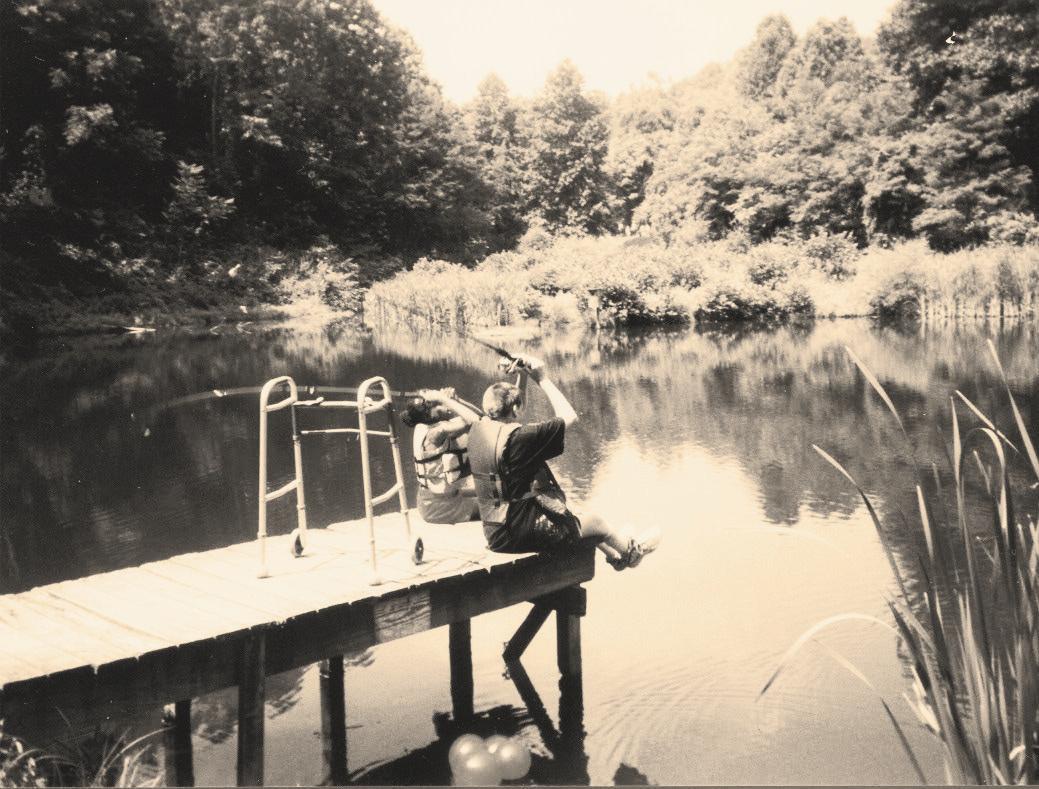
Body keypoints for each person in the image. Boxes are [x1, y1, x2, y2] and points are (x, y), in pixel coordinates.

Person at [467, 355, 660, 570]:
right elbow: (569, 416)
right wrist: (541, 378)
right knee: (596, 521)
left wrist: (522, 375)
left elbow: (514, 413)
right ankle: (631, 553)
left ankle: (616, 555)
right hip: (518, 535)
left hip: (496, 533)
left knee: (566, 512)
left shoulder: (479, 431)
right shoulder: (521, 439)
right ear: (515, 410)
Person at [402, 387, 483, 524]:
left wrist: (457, 400)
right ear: (430, 415)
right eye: (439, 405)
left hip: (440, 498)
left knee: (495, 491)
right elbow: (476, 421)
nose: (446, 407)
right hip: (439, 507)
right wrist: (444, 398)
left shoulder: (430, 426)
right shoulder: (436, 434)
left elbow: (482, 418)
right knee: (497, 506)